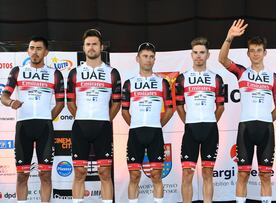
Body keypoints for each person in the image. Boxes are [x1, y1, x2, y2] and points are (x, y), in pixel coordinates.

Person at [218, 19, 276, 203]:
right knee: (243, 174)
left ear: (265, 53)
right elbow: (222, 60)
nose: (256, 54)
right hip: (245, 128)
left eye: (259, 50)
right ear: (248, 53)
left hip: (266, 130)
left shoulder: (273, 77)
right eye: (252, 51)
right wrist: (229, 37)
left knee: (265, 176)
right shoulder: (241, 72)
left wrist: (265, 119)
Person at [1, 36, 65, 203]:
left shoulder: (55, 74)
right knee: (22, 175)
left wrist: (46, 119)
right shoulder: (17, 71)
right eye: (31, 48)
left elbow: (60, 103)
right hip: (23, 126)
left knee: (45, 174)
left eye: (38, 48)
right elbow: (4, 96)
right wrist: (11, 102)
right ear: (27, 50)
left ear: (46, 52)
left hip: (45, 127)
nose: (34, 52)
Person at [67, 29, 121, 203]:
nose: (91, 47)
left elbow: (117, 103)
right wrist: (82, 117)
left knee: (105, 173)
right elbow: (69, 102)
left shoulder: (112, 72)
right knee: (79, 173)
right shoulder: (74, 73)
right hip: (80, 127)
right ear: (83, 47)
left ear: (101, 47)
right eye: (88, 44)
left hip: (103, 126)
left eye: (95, 44)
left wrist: (105, 119)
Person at [121, 42, 173, 203]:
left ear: (154, 59)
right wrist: (135, 124)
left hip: (155, 133)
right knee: (134, 175)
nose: (148, 60)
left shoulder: (162, 82)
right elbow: (124, 111)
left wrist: (157, 126)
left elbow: (171, 109)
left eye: (151, 57)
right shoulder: (129, 83)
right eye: (145, 56)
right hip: (135, 133)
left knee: (156, 175)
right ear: (138, 58)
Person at [175, 37, 225, 203]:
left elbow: (220, 108)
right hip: (191, 130)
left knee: (207, 173)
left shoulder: (216, 78)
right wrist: (189, 121)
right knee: (187, 173)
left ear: (208, 55)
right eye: (195, 53)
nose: (198, 56)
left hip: (210, 129)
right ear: (191, 55)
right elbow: (179, 107)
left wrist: (210, 121)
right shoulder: (182, 79)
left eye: (202, 53)